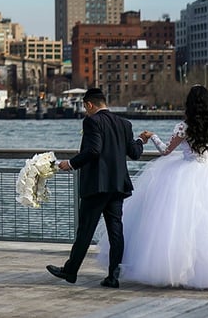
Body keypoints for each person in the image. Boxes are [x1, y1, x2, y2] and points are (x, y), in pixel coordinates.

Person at [96, 85, 208, 289]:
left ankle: (180, 270)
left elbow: (166, 151)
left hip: (183, 174)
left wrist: (152, 136)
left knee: (179, 224)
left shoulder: (183, 127)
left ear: (189, 105)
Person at [46, 87, 146, 288]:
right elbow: (134, 153)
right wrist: (142, 140)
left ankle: (70, 271)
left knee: (85, 230)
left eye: (85, 107)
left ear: (89, 104)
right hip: (117, 186)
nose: (85, 111)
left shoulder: (92, 121)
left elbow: (93, 149)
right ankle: (113, 276)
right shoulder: (124, 124)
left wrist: (71, 164)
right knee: (116, 231)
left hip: (97, 186)